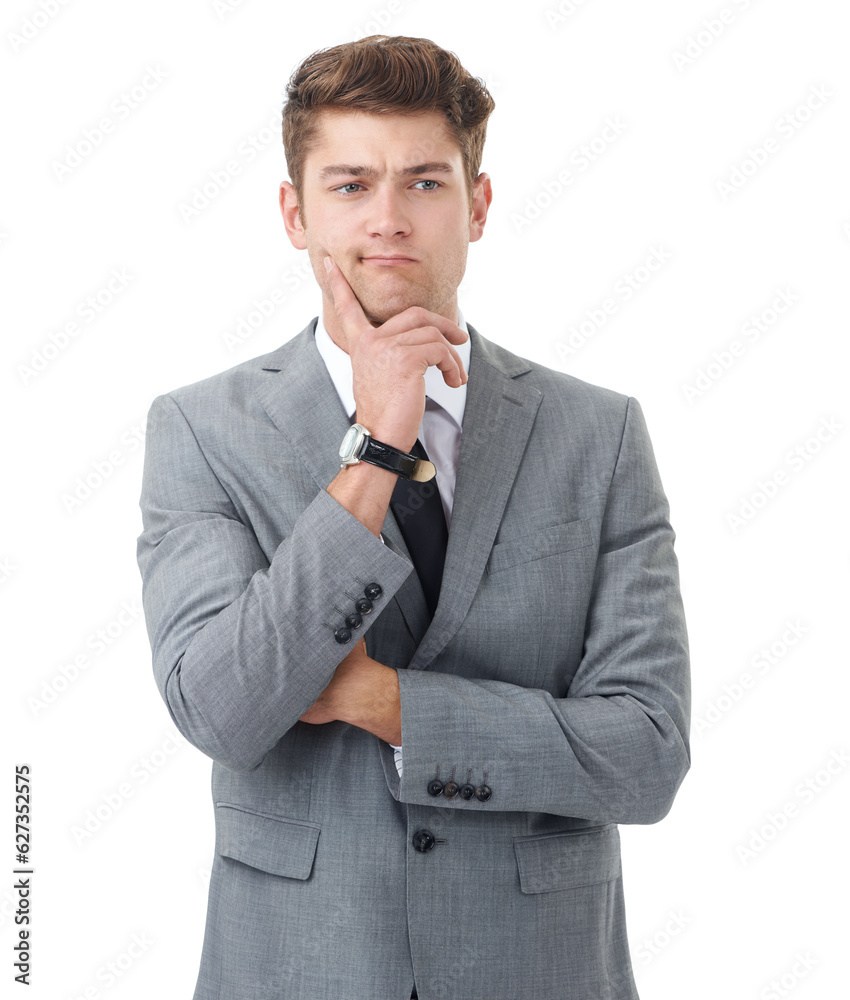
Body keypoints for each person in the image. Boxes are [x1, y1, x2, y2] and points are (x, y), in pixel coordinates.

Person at [136, 34, 691, 1000]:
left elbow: (645, 755)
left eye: (424, 184)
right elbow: (223, 709)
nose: (388, 220)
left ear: (477, 205)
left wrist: (380, 702)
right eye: (349, 185)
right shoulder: (201, 430)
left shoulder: (599, 434)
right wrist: (381, 441)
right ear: (293, 213)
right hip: (299, 970)